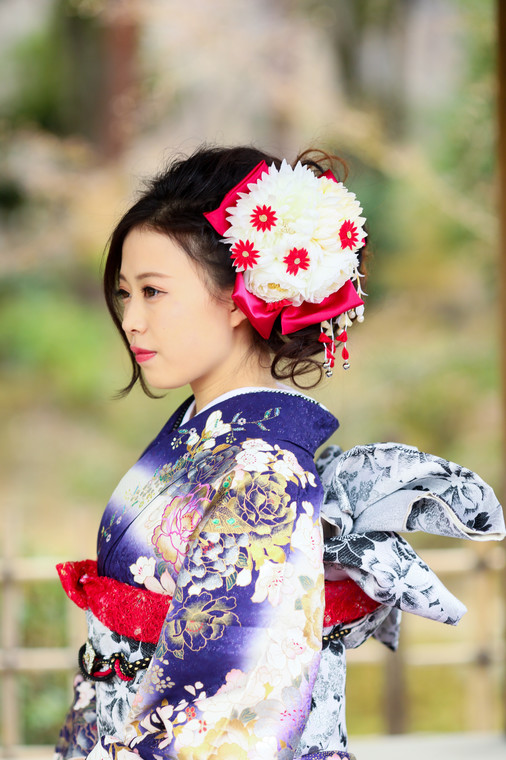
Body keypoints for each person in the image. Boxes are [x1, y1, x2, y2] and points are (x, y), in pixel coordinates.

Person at [54, 145, 504, 760]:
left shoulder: (262, 469)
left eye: (153, 292)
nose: (131, 318)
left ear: (242, 297)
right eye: (124, 292)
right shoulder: (207, 436)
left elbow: (226, 700)